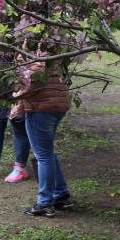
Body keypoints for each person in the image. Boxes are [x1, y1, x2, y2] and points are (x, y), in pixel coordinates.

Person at [11, 57, 73, 217]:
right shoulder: (54, 49)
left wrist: (16, 95)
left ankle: (45, 203)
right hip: (58, 103)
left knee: (43, 156)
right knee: (47, 152)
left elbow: (33, 79)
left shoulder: (36, 51)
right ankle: (60, 193)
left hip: (41, 108)